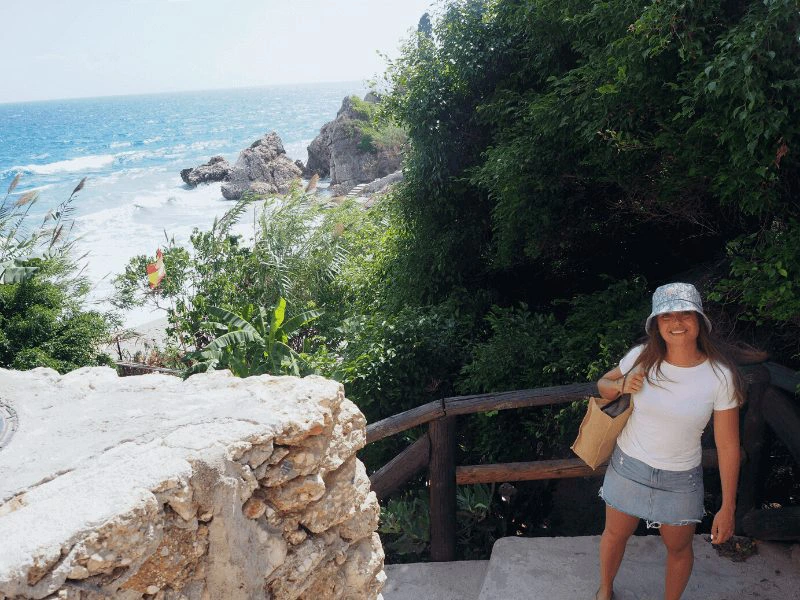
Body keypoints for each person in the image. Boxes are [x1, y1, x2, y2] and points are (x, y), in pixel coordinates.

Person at [595, 282, 743, 600]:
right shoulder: (642, 357)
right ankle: (605, 589)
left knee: (679, 548)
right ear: (656, 325)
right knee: (615, 534)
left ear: (699, 320)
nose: (676, 323)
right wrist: (621, 383)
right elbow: (603, 385)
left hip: (681, 479)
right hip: (628, 466)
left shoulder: (720, 376)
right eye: (667, 317)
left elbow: (728, 445)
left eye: (685, 314)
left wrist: (727, 506)